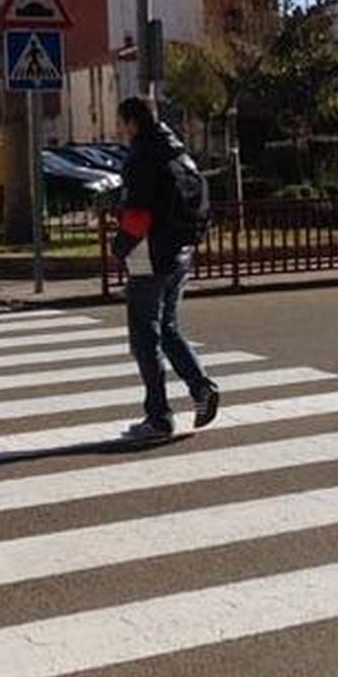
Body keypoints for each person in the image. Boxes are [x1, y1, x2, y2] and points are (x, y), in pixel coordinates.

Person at [111, 96, 219, 442]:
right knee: (168, 328)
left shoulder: (142, 156)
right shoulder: (177, 151)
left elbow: (138, 216)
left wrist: (120, 248)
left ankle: (158, 418)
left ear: (131, 122)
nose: (121, 129)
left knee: (145, 337)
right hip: (181, 253)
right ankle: (201, 387)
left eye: (122, 122)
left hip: (150, 255)